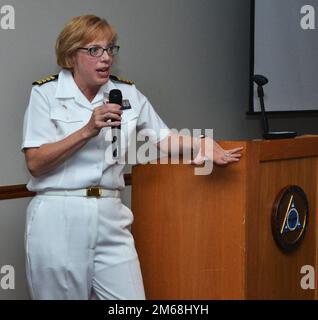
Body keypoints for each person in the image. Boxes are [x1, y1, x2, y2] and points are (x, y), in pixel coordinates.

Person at [21, 14, 242, 300]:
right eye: (94, 50)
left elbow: (163, 138)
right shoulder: (46, 93)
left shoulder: (126, 92)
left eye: (110, 48)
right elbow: (35, 163)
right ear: (70, 56)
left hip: (111, 215)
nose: (106, 58)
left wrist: (201, 144)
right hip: (59, 216)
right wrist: (87, 130)